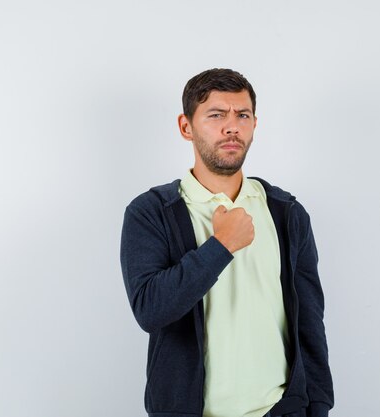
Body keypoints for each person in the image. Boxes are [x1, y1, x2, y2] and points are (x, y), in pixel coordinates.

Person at [120, 68, 334, 417]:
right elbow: (150, 310)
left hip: (281, 409)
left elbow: (310, 322)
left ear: (253, 124)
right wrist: (221, 246)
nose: (232, 126)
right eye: (216, 114)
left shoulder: (285, 212)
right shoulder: (151, 212)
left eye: (242, 115)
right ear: (186, 126)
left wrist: (320, 406)